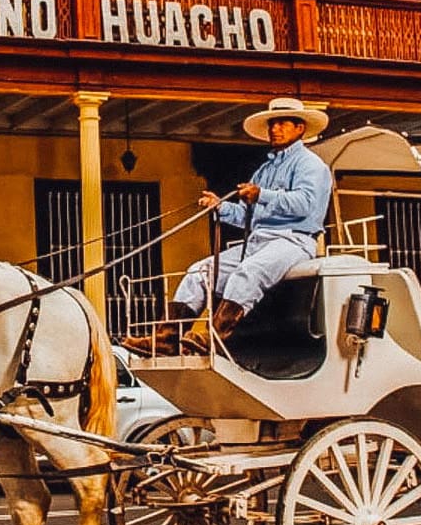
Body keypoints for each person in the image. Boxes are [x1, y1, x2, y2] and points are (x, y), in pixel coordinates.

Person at [125, 97, 331, 356]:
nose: (274, 129)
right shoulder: (263, 170)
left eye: (282, 123)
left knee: (249, 271)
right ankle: (166, 339)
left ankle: (217, 337)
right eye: (272, 124)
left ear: (300, 128)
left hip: (294, 241)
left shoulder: (311, 165)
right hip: (258, 240)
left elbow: (305, 204)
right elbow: (249, 215)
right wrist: (220, 208)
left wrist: (262, 195)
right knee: (199, 272)